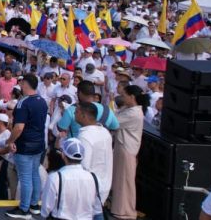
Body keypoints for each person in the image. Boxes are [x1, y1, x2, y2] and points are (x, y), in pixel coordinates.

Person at [6, 74, 48, 219]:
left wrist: (10, 141)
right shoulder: (42, 101)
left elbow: (19, 127)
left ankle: (24, 209)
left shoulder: (23, 103)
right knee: (34, 174)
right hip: (39, 144)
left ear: (24, 83)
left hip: (25, 145)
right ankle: (34, 205)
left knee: (25, 177)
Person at [41, 138, 103, 220]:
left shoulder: (55, 178)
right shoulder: (94, 179)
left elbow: (46, 208)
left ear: (63, 155)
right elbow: (97, 210)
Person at [111, 84, 147, 220]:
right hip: (121, 147)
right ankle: (118, 207)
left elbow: (114, 122)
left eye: (124, 95)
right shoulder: (128, 109)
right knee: (119, 178)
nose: (122, 98)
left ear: (132, 97)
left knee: (125, 181)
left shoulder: (134, 113)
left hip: (127, 149)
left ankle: (125, 210)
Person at [75, 102, 112, 220]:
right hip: (104, 184)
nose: (74, 114)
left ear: (83, 115)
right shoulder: (105, 132)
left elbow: (84, 166)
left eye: (76, 112)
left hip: (90, 188)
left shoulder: (85, 136)